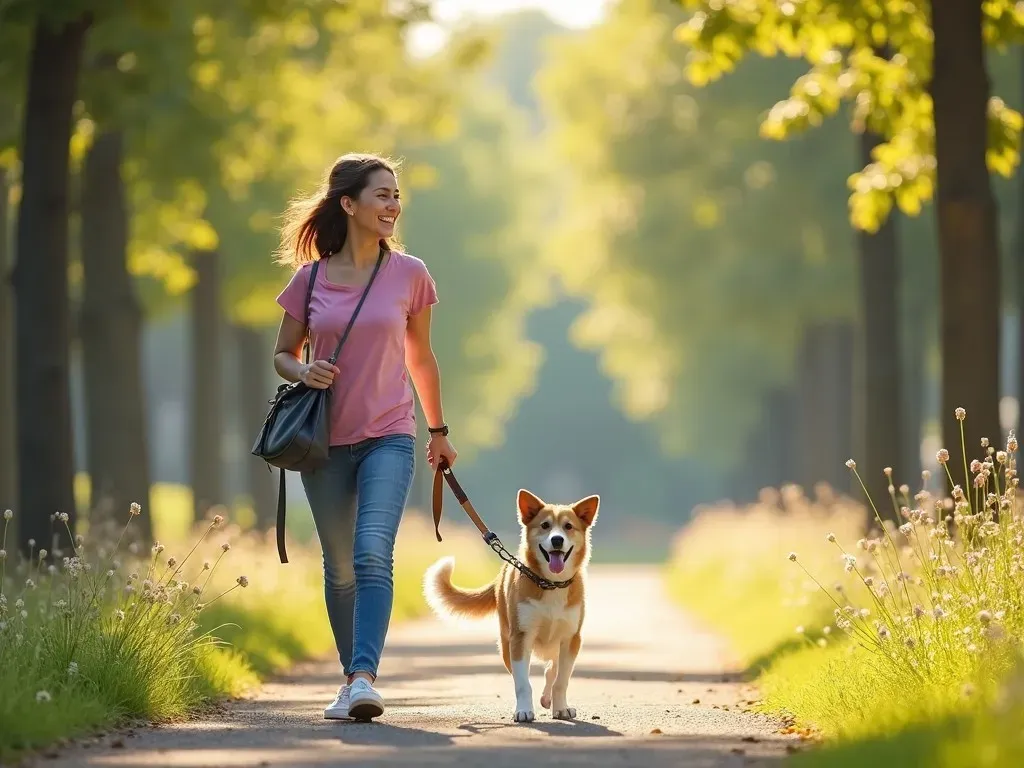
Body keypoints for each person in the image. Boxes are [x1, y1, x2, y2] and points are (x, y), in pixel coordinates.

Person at [271, 152, 457, 721]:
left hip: (389, 435)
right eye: (382, 195)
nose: (393, 206)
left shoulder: (410, 274)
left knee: (373, 551)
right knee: (340, 565)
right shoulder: (310, 281)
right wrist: (303, 370)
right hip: (324, 443)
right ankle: (350, 677)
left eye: (397, 196)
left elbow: (420, 358)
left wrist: (439, 430)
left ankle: (361, 677)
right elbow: (282, 354)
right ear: (348, 204)